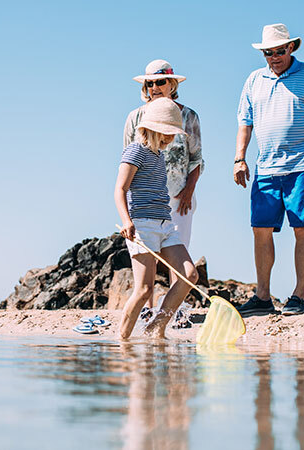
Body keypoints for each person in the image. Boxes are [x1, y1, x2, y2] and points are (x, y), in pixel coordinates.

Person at [233, 23, 304, 316]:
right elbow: (245, 122)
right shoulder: (254, 80)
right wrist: (239, 158)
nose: (274, 56)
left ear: (291, 48)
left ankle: (298, 296)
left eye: (280, 50)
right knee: (260, 229)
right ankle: (263, 297)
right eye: (269, 52)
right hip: (266, 168)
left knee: (302, 227)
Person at [115, 98, 199, 339]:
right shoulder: (135, 151)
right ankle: (122, 342)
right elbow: (120, 189)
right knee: (143, 290)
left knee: (189, 274)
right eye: (167, 133)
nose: (170, 139)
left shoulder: (159, 156)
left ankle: (156, 328)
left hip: (165, 224)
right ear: (151, 128)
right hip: (142, 225)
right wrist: (127, 221)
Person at [124, 60, 203, 311]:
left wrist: (189, 191)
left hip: (179, 197)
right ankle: (146, 311)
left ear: (172, 84)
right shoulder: (135, 117)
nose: (155, 87)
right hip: (144, 201)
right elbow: (126, 159)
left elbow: (197, 158)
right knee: (147, 261)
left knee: (178, 253)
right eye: (150, 83)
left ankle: (174, 310)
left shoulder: (189, 116)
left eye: (160, 82)